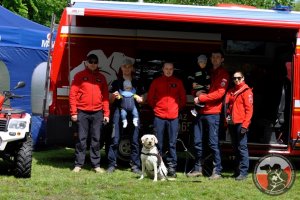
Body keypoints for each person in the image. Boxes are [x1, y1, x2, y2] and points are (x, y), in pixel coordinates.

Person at [187, 50, 229, 180]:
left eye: (218, 57)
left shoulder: (224, 74)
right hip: (200, 112)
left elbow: (219, 94)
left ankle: (217, 172)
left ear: (222, 59)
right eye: (213, 57)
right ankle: (198, 169)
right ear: (210, 59)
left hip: (213, 113)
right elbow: (194, 87)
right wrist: (196, 93)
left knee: (212, 143)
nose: (215, 59)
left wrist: (201, 99)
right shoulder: (207, 71)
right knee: (197, 141)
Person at [69, 53, 110, 173]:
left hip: (98, 113)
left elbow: (106, 97)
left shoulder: (101, 77)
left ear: (97, 64)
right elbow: (73, 95)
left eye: (95, 62)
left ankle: (96, 165)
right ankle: (78, 165)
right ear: (86, 63)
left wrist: (106, 114)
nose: (93, 64)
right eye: (90, 62)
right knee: (81, 139)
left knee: (96, 139)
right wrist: (73, 112)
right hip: (82, 112)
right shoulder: (79, 76)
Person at [147, 62, 186, 178]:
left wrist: (176, 109)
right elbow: (150, 98)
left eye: (171, 69)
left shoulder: (178, 82)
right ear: (162, 69)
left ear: (173, 70)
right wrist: (157, 109)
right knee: (158, 143)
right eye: (166, 69)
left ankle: (172, 167)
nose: (168, 71)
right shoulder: (156, 82)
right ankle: (158, 166)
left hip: (173, 117)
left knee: (172, 143)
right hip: (159, 117)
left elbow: (182, 99)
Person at [107, 58, 144, 174]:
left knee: (134, 140)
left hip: (134, 113)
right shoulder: (116, 82)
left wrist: (141, 99)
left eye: (129, 66)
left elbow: (144, 99)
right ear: (121, 68)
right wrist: (113, 96)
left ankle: (135, 166)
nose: (127, 68)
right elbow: (110, 100)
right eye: (124, 66)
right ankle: (111, 165)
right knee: (115, 139)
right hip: (119, 112)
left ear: (132, 68)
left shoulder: (138, 82)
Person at [225, 71, 253, 181]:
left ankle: (244, 173)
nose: (236, 80)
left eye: (239, 78)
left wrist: (245, 125)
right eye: (234, 78)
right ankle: (237, 171)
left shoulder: (247, 91)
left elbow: (249, 110)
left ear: (243, 78)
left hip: (241, 123)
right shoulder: (232, 91)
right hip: (232, 123)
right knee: (235, 149)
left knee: (242, 148)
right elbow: (227, 104)